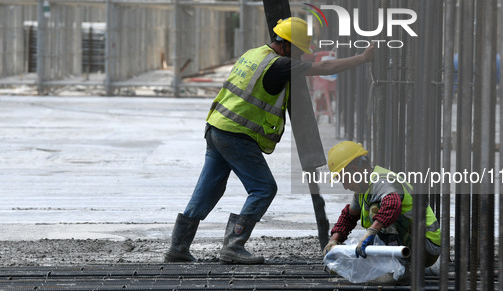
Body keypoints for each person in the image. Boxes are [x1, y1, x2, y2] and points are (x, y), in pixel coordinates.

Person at [164, 17, 375, 264]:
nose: (300, 56)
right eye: (298, 50)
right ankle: (233, 245)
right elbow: (325, 69)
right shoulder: (280, 65)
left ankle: (178, 246)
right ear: (286, 46)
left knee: (207, 189)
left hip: (216, 127)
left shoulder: (254, 54)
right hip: (236, 133)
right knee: (264, 188)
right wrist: (363, 58)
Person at [322, 141, 441, 269]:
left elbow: (392, 205)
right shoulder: (363, 190)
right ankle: (392, 263)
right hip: (413, 243)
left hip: (426, 247)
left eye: (344, 180)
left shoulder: (382, 181)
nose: (345, 187)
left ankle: (396, 267)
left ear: (354, 171)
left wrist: (371, 232)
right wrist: (333, 241)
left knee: (376, 208)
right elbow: (349, 217)